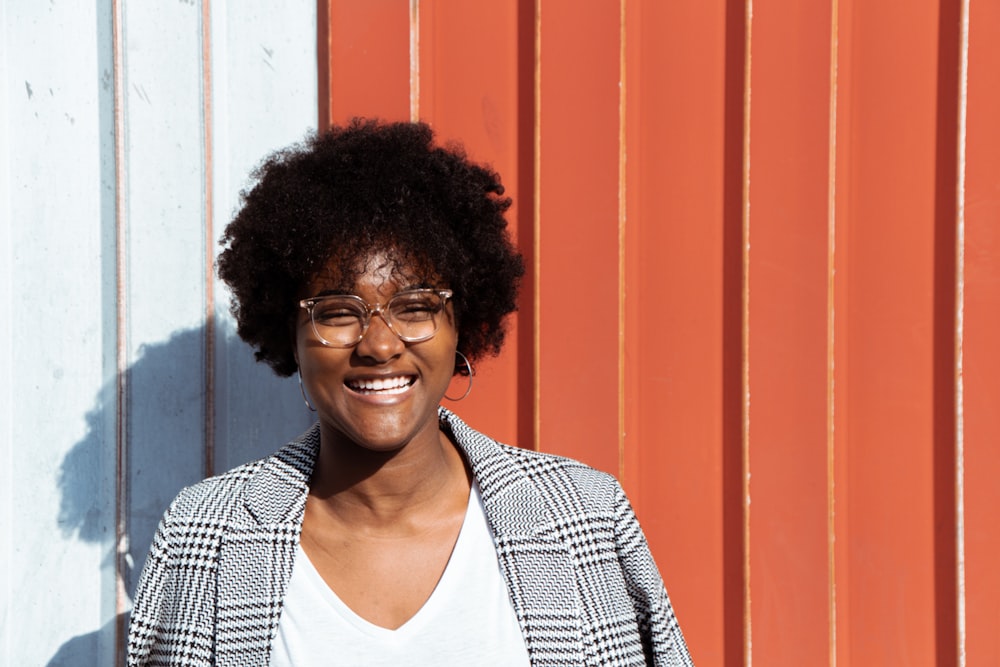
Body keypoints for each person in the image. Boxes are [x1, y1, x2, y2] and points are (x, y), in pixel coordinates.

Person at [126, 119, 692, 666]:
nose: (378, 345)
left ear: (461, 327)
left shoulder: (584, 518)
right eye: (338, 313)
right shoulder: (208, 533)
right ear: (290, 337)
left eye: (415, 307)